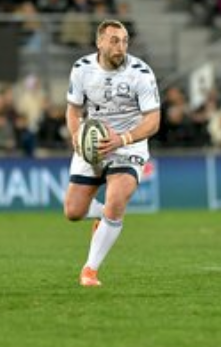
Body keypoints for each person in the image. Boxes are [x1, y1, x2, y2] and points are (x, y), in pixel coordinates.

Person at [64, 19, 160, 287]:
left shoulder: (141, 73)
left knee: (116, 201)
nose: (121, 47)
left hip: (128, 144)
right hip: (94, 142)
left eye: (125, 41)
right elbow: (73, 110)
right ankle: (104, 217)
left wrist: (122, 139)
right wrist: (77, 136)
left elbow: (153, 121)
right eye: (114, 41)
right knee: (73, 212)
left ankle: (90, 270)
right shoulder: (82, 69)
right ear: (100, 42)